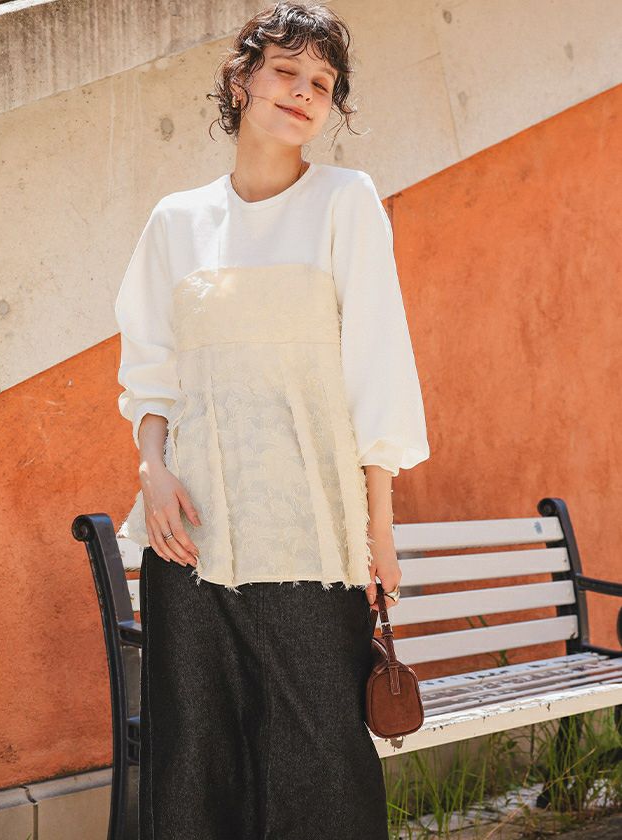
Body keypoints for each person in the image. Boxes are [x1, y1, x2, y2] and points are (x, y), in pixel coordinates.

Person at [114, 3, 430, 838]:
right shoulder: (176, 222)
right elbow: (152, 372)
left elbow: (377, 366)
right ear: (240, 81)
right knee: (195, 762)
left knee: (320, 765)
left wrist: (379, 529)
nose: (303, 92)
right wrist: (152, 470)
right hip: (191, 541)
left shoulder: (345, 202)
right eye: (286, 71)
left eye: (322, 83)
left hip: (311, 542)